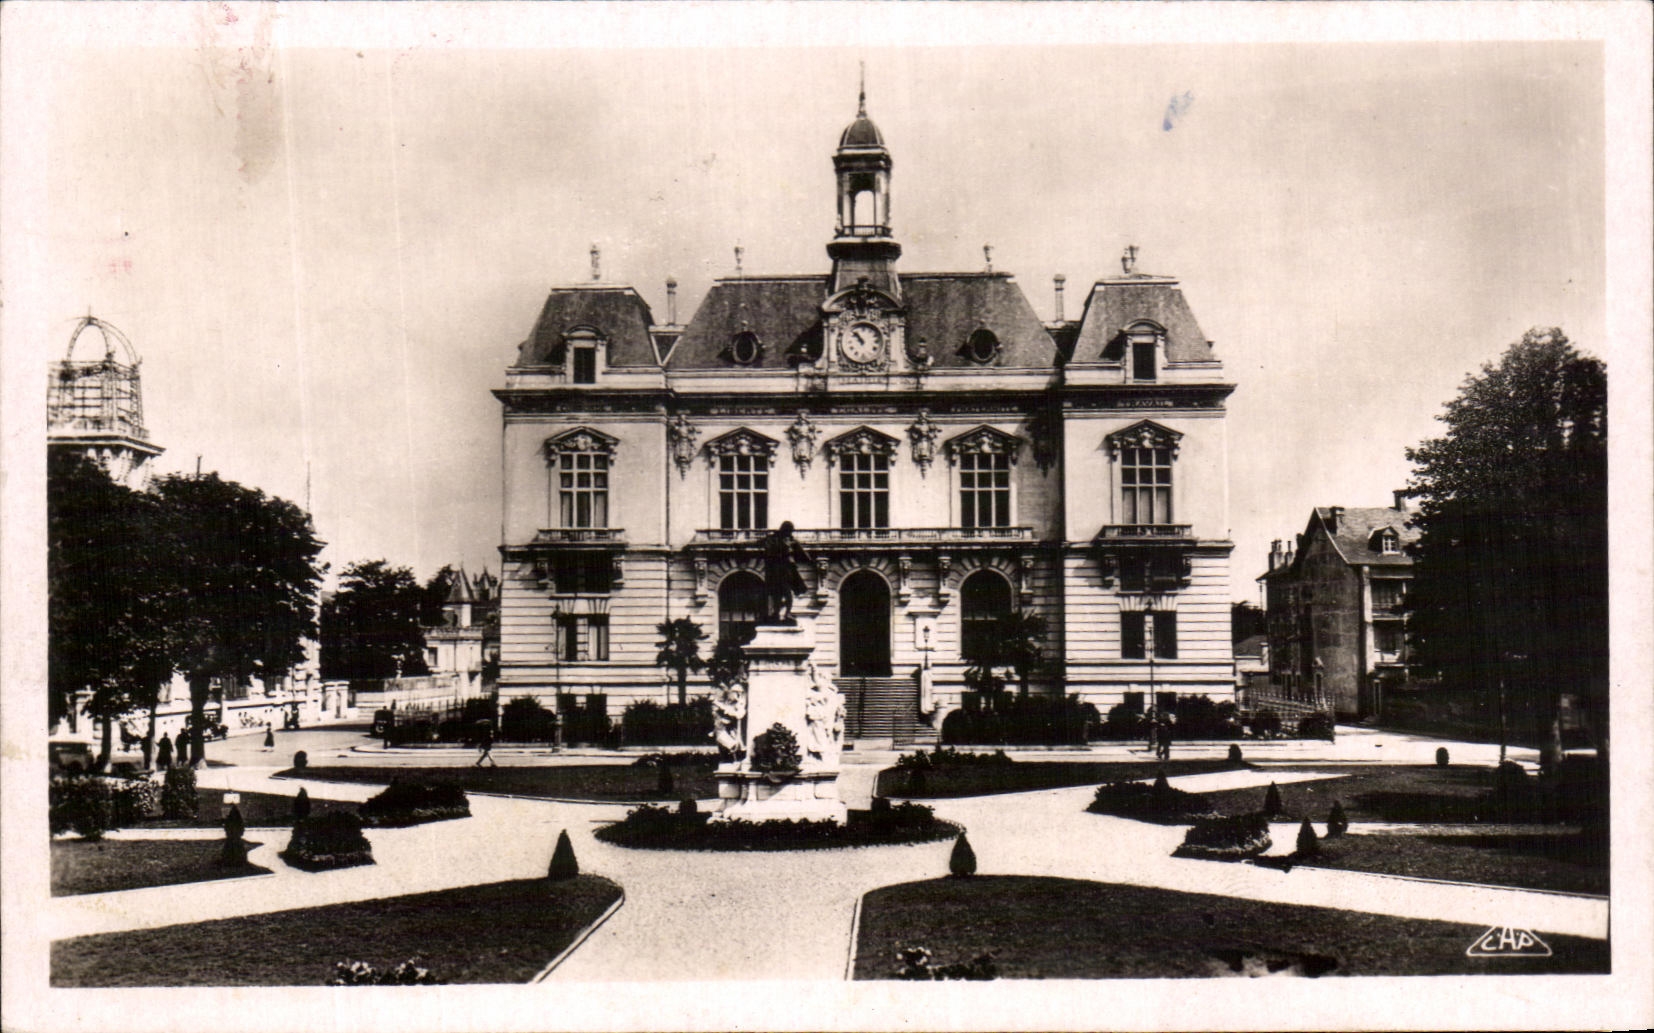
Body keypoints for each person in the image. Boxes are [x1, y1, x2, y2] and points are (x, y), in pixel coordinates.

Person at [760, 520, 812, 623]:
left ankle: (787, 613)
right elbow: (767, 550)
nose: (790, 533)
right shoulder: (774, 539)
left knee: (787, 593)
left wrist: (808, 559)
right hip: (776, 570)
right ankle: (776, 614)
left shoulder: (791, 541)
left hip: (788, 571)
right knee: (776, 594)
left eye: (791, 532)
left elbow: (803, 555)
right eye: (789, 531)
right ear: (784, 530)